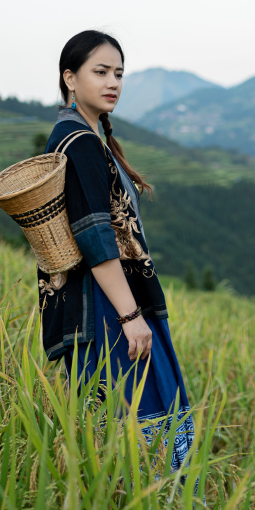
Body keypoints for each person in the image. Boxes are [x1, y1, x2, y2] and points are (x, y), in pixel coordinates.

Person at [37, 29, 194, 473]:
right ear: (70, 78)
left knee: (110, 428)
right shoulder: (81, 143)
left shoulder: (81, 135)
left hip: (100, 305)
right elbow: (94, 236)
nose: (113, 83)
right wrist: (130, 317)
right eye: (100, 71)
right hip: (105, 309)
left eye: (119, 74)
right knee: (140, 425)